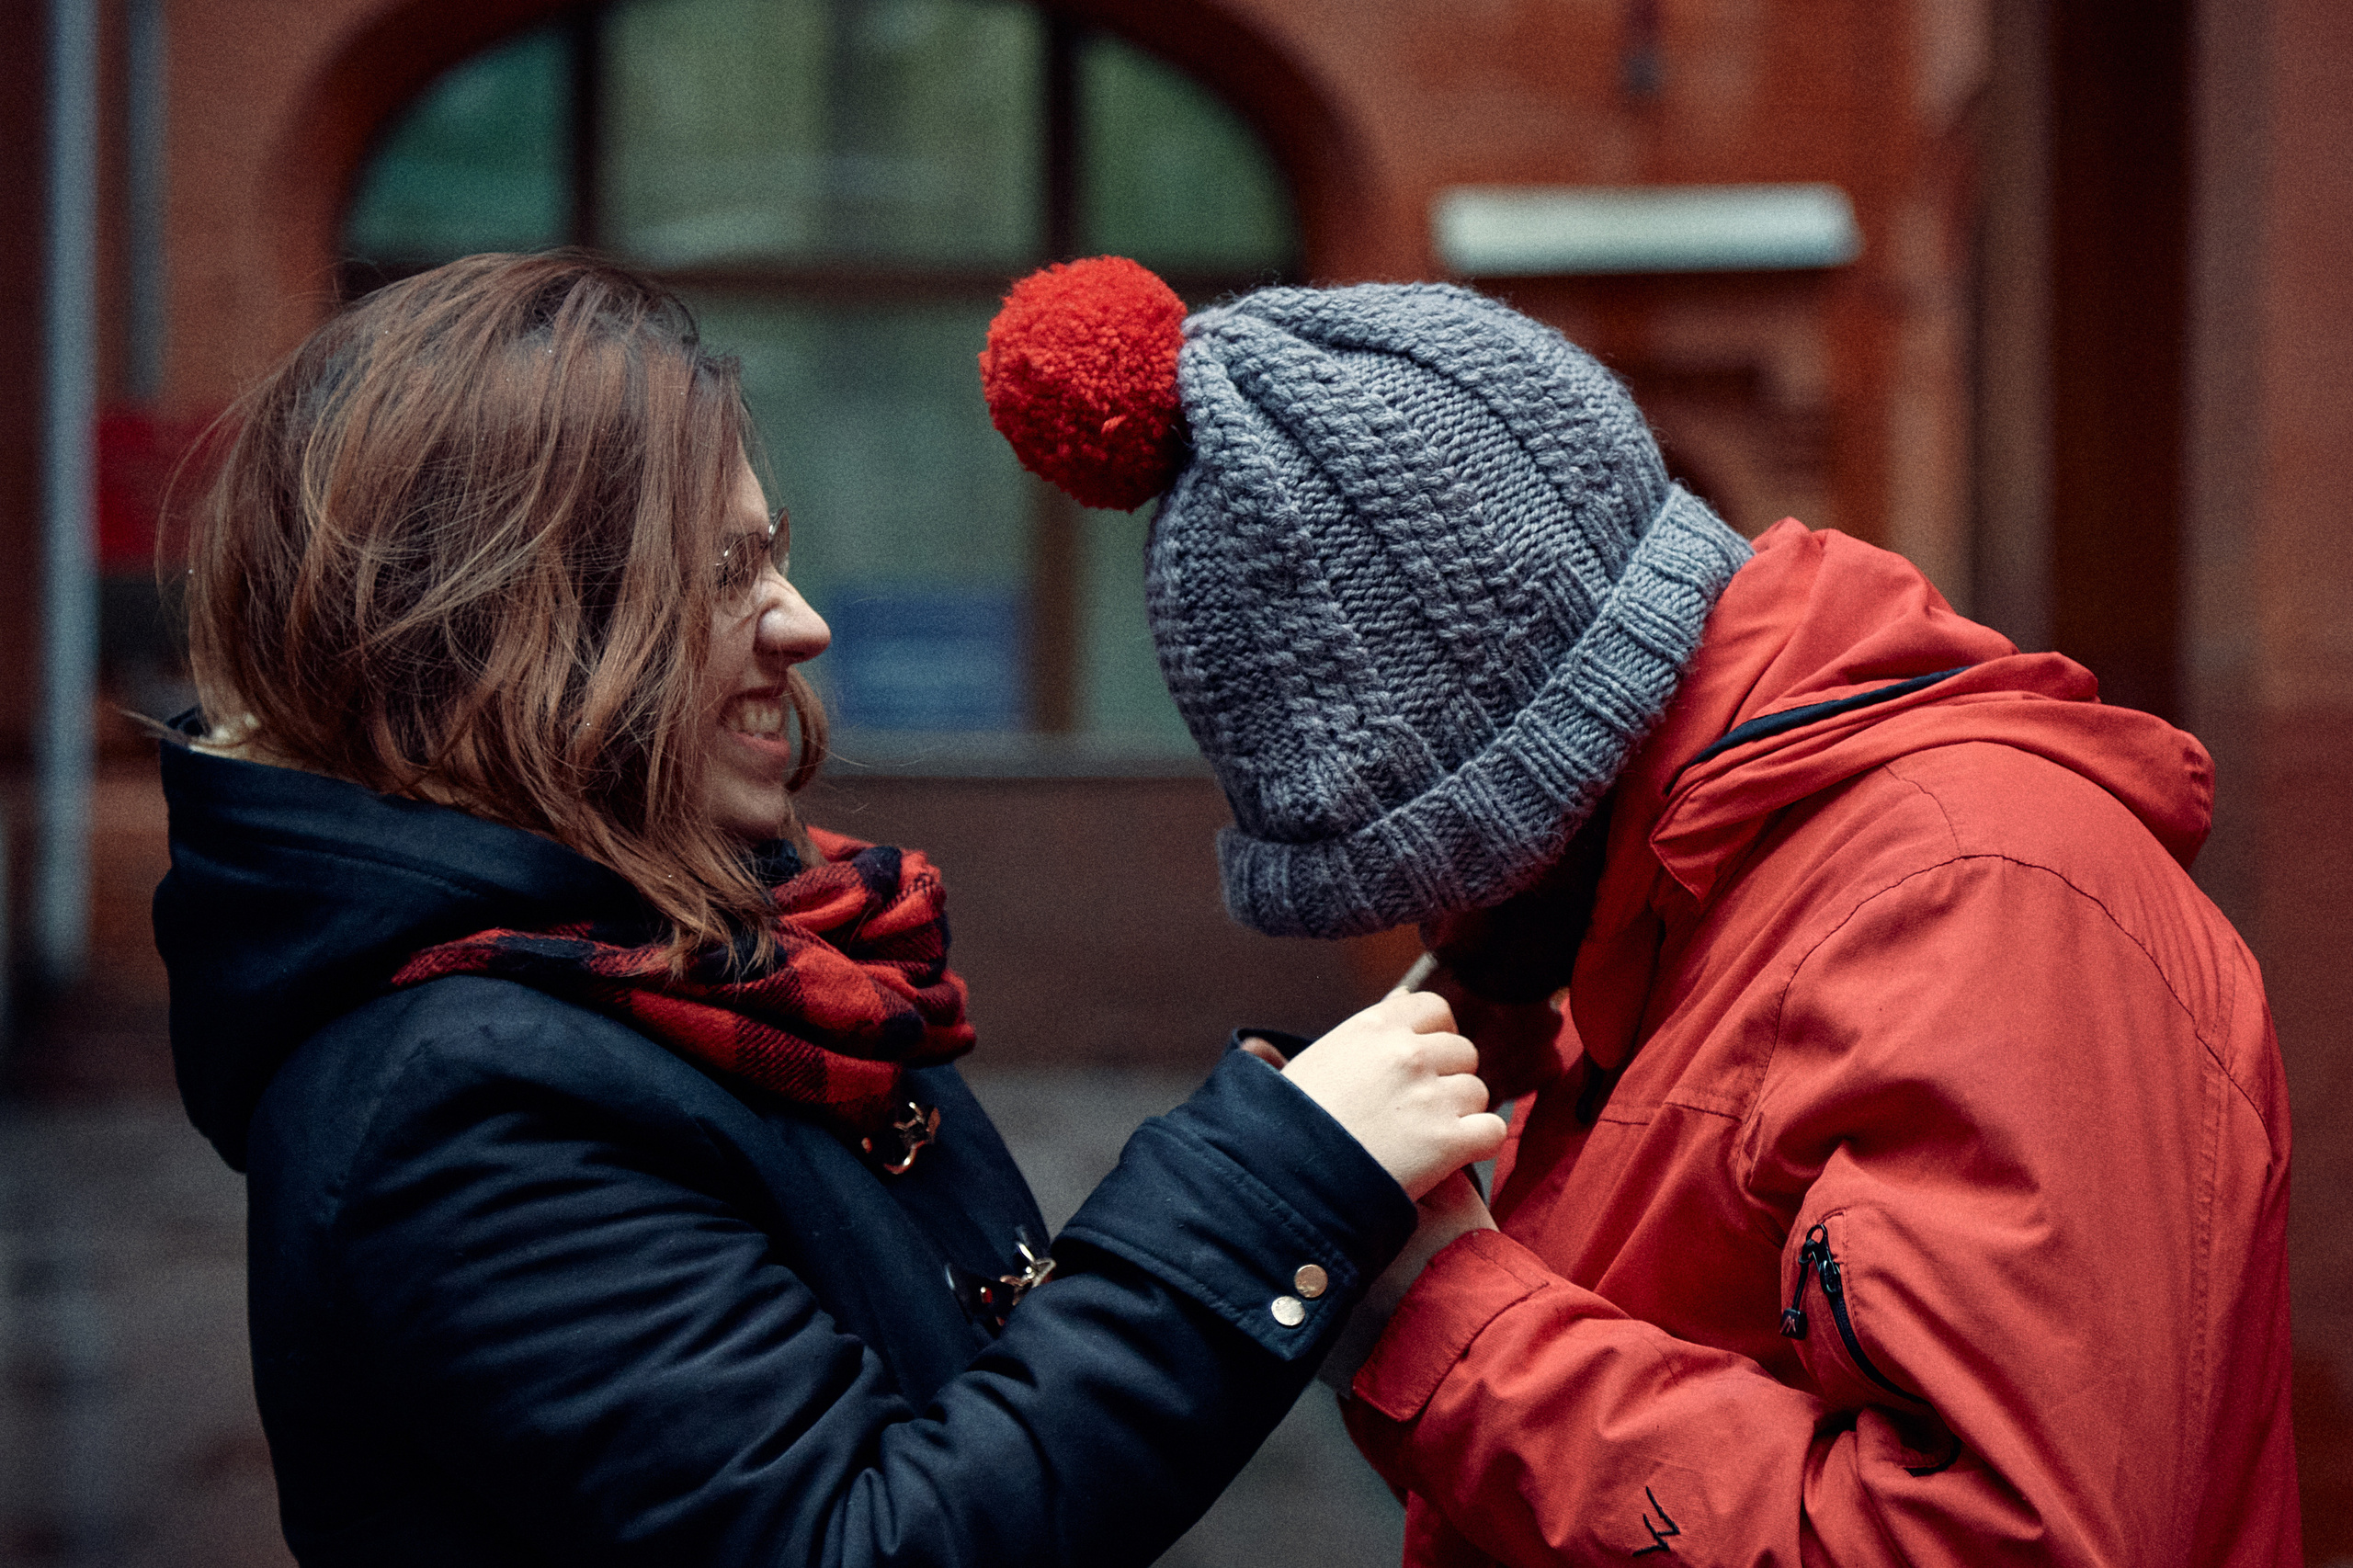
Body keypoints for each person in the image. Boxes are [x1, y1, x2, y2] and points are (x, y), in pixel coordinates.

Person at [151, 251, 1507, 1567]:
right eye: (725, 570)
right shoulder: (462, 1103)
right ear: (518, 622)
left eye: (774, 555)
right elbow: (858, 1533)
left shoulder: (733, 963)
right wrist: (1275, 1185)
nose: (802, 623)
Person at [980, 257, 2300, 1565]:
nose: (1423, 919)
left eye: (1429, 863)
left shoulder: (1973, 909)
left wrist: (1441, 1313)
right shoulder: (1685, 917)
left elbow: (1987, 1540)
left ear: (1541, 766)